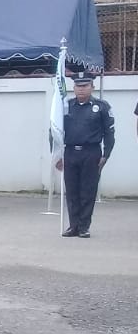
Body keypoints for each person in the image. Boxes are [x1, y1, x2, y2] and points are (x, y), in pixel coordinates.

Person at [57, 74, 115, 238]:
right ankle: (73, 226)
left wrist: (106, 155)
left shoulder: (102, 106)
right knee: (72, 191)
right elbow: (54, 129)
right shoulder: (66, 106)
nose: (81, 89)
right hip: (70, 152)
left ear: (92, 87)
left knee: (88, 191)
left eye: (85, 86)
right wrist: (56, 155)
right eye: (78, 86)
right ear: (74, 88)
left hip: (91, 152)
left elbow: (109, 132)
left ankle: (84, 227)